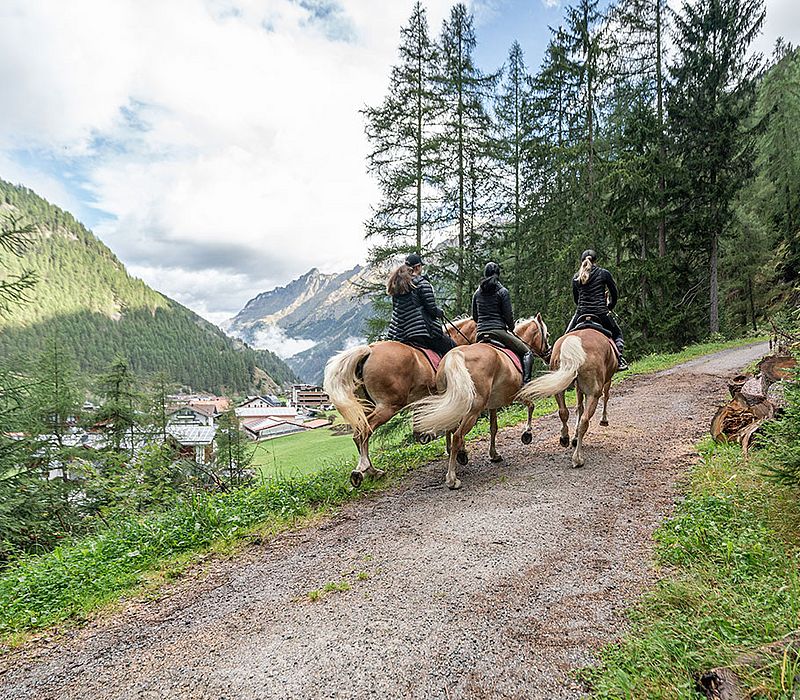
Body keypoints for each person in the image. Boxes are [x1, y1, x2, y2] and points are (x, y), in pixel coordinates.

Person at [471, 262, 534, 383]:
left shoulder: (477, 293)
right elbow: (508, 315)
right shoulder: (502, 291)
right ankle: (525, 385)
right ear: (498, 274)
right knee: (527, 353)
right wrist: (511, 328)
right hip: (498, 332)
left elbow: (475, 317)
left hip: (480, 334)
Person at [566, 249, 628, 371]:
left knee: (566, 336)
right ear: (596, 261)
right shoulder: (604, 274)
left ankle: (558, 361)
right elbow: (614, 294)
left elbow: (576, 300)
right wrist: (609, 306)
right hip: (601, 313)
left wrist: (583, 307)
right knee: (617, 334)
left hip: (581, 313)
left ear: (582, 261)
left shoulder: (576, 277)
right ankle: (619, 360)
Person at [386, 253, 456, 357]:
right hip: (420, 332)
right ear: (418, 267)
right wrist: (439, 312)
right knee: (452, 348)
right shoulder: (422, 283)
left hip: (398, 333)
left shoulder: (397, 284)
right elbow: (431, 310)